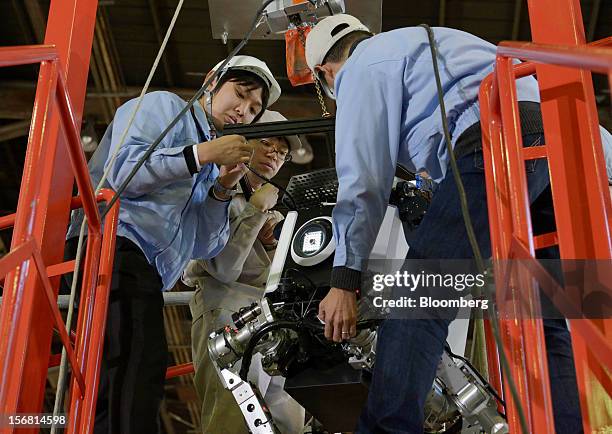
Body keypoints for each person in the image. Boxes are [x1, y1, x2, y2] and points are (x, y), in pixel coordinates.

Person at [305, 14, 612, 433]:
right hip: (568, 152)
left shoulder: (363, 66)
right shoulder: (432, 41)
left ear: (325, 71)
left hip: (498, 145)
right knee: (549, 316)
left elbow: (362, 181)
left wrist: (344, 278)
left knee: (419, 302)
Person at [66, 55, 281, 434]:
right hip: (113, 243)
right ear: (213, 79)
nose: (243, 111)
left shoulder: (214, 159)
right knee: (132, 364)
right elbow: (122, 171)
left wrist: (222, 189)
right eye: (240, 94)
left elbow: (205, 246)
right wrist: (200, 156)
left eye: (253, 109)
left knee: (136, 364)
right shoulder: (166, 107)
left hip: (144, 267)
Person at [183, 110, 306, 434]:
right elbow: (223, 268)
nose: (273, 155)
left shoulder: (275, 212)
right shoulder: (216, 192)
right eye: (265, 143)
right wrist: (255, 212)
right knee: (233, 415)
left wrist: (268, 238)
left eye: (281, 152)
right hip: (225, 308)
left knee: (288, 420)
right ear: (244, 143)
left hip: (271, 318)